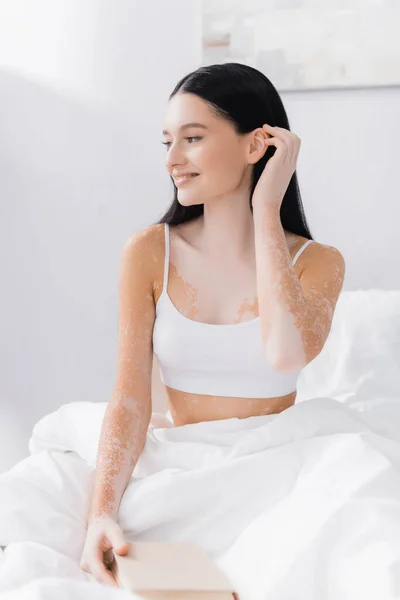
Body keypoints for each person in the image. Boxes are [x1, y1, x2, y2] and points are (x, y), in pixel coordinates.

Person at [80, 62, 346, 586]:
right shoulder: (148, 252)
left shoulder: (320, 262)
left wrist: (267, 209)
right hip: (185, 464)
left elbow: (286, 355)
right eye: (168, 142)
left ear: (256, 146)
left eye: (193, 139)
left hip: (281, 466)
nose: (173, 160)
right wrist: (101, 512)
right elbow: (131, 397)